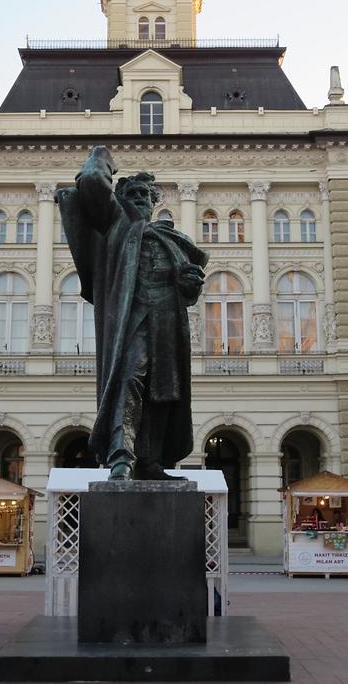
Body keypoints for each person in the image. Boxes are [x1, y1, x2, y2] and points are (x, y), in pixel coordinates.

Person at [57, 146, 209, 481]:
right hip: (132, 318)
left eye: (146, 195)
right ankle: (121, 457)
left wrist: (190, 284)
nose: (141, 199)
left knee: (162, 390)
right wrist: (101, 154)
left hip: (166, 321)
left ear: (155, 203)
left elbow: (190, 293)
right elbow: (93, 182)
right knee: (130, 379)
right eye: (134, 193)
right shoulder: (115, 225)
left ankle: (151, 460)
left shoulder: (174, 241)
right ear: (123, 198)